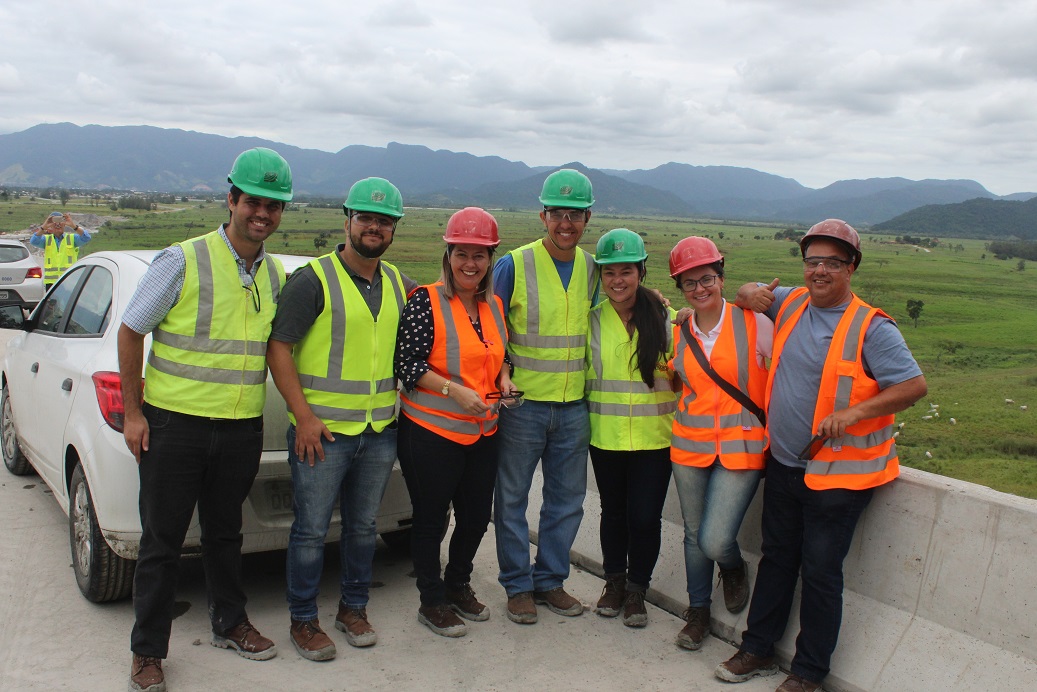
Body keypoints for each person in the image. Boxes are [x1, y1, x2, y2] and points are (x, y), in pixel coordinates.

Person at [714, 219, 927, 692]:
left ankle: (808, 673)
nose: (820, 271)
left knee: (820, 572)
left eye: (833, 262)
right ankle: (757, 647)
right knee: (776, 559)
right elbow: (750, 292)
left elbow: (914, 385)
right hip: (785, 465)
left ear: (851, 268)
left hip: (840, 478)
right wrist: (748, 293)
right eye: (813, 262)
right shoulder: (791, 302)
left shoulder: (872, 327)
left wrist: (854, 414)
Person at [119, 147, 293, 692]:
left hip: (240, 428)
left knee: (225, 534)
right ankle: (148, 651)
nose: (262, 214)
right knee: (162, 543)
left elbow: (275, 349)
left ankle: (230, 623)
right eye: (254, 202)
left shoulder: (275, 274)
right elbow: (131, 330)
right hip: (175, 427)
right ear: (232, 200)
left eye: (273, 206)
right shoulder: (183, 259)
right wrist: (132, 413)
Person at [266, 177, 416, 662]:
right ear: (348, 221)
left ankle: (353, 609)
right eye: (366, 218)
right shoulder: (313, 280)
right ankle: (303, 620)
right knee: (311, 531)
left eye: (384, 222)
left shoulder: (399, 284)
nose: (375, 227)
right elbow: (279, 349)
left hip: (379, 432)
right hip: (323, 433)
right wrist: (303, 416)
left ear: (394, 229)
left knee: (362, 528)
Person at [395, 207, 517, 637]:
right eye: (461, 253)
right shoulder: (425, 301)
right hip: (431, 433)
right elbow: (407, 364)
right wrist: (453, 390)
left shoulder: (493, 304)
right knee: (431, 520)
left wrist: (504, 379)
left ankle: (457, 583)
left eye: (479, 255)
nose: (470, 263)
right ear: (447, 255)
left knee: (476, 517)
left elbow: (500, 354)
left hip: (483, 431)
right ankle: (431, 601)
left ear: (490, 259)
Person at [492, 168, 598, 624]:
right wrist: (501, 371)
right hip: (523, 407)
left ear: (587, 218)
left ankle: (550, 581)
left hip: (574, 408)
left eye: (574, 215)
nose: (565, 223)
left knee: (567, 502)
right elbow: (488, 326)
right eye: (557, 213)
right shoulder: (513, 265)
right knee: (512, 499)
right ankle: (518, 586)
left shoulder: (593, 269)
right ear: (543, 216)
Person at [666, 236, 773, 651]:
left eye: (707, 278)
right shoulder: (680, 330)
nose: (700, 288)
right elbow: (678, 382)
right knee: (693, 534)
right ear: (681, 288)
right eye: (689, 283)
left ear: (722, 279)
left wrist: (756, 289)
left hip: (742, 447)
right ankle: (697, 612)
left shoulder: (754, 322)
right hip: (689, 446)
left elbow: (792, 343)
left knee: (714, 539)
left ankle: (732, 565)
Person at [585, 228, 677, 628]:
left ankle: (638, 589)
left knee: (645, 518)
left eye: (626, 271)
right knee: (614, 514)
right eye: (609, 272)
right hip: (606, 438)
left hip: (655, 439)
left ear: (641, 272)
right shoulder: (590, 321)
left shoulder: (667, 319)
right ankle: (614, 583)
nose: (617, 280)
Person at [30, 210, 92, 286]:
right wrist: (43, 227)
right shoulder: (46, 240)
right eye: (54, 222)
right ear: (50, 225)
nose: (57, 224)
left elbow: (86, 238)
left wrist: (73, 226)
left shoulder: (72, 239)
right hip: (51, 283)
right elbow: (33, 241)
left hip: (69, 281)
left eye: (60, 221)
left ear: (64, 224)